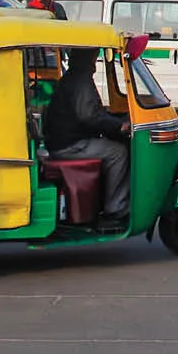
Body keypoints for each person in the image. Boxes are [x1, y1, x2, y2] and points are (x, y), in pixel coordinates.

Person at [42, 48, 130, 223]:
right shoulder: (80, 81)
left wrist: (113, 122)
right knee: (118, 152)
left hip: (66, 141)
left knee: (111, 146)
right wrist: (119, 126)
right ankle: (116, 208)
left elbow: (92, 113)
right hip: (70, 145)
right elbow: (89, 116)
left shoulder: (75, 79)